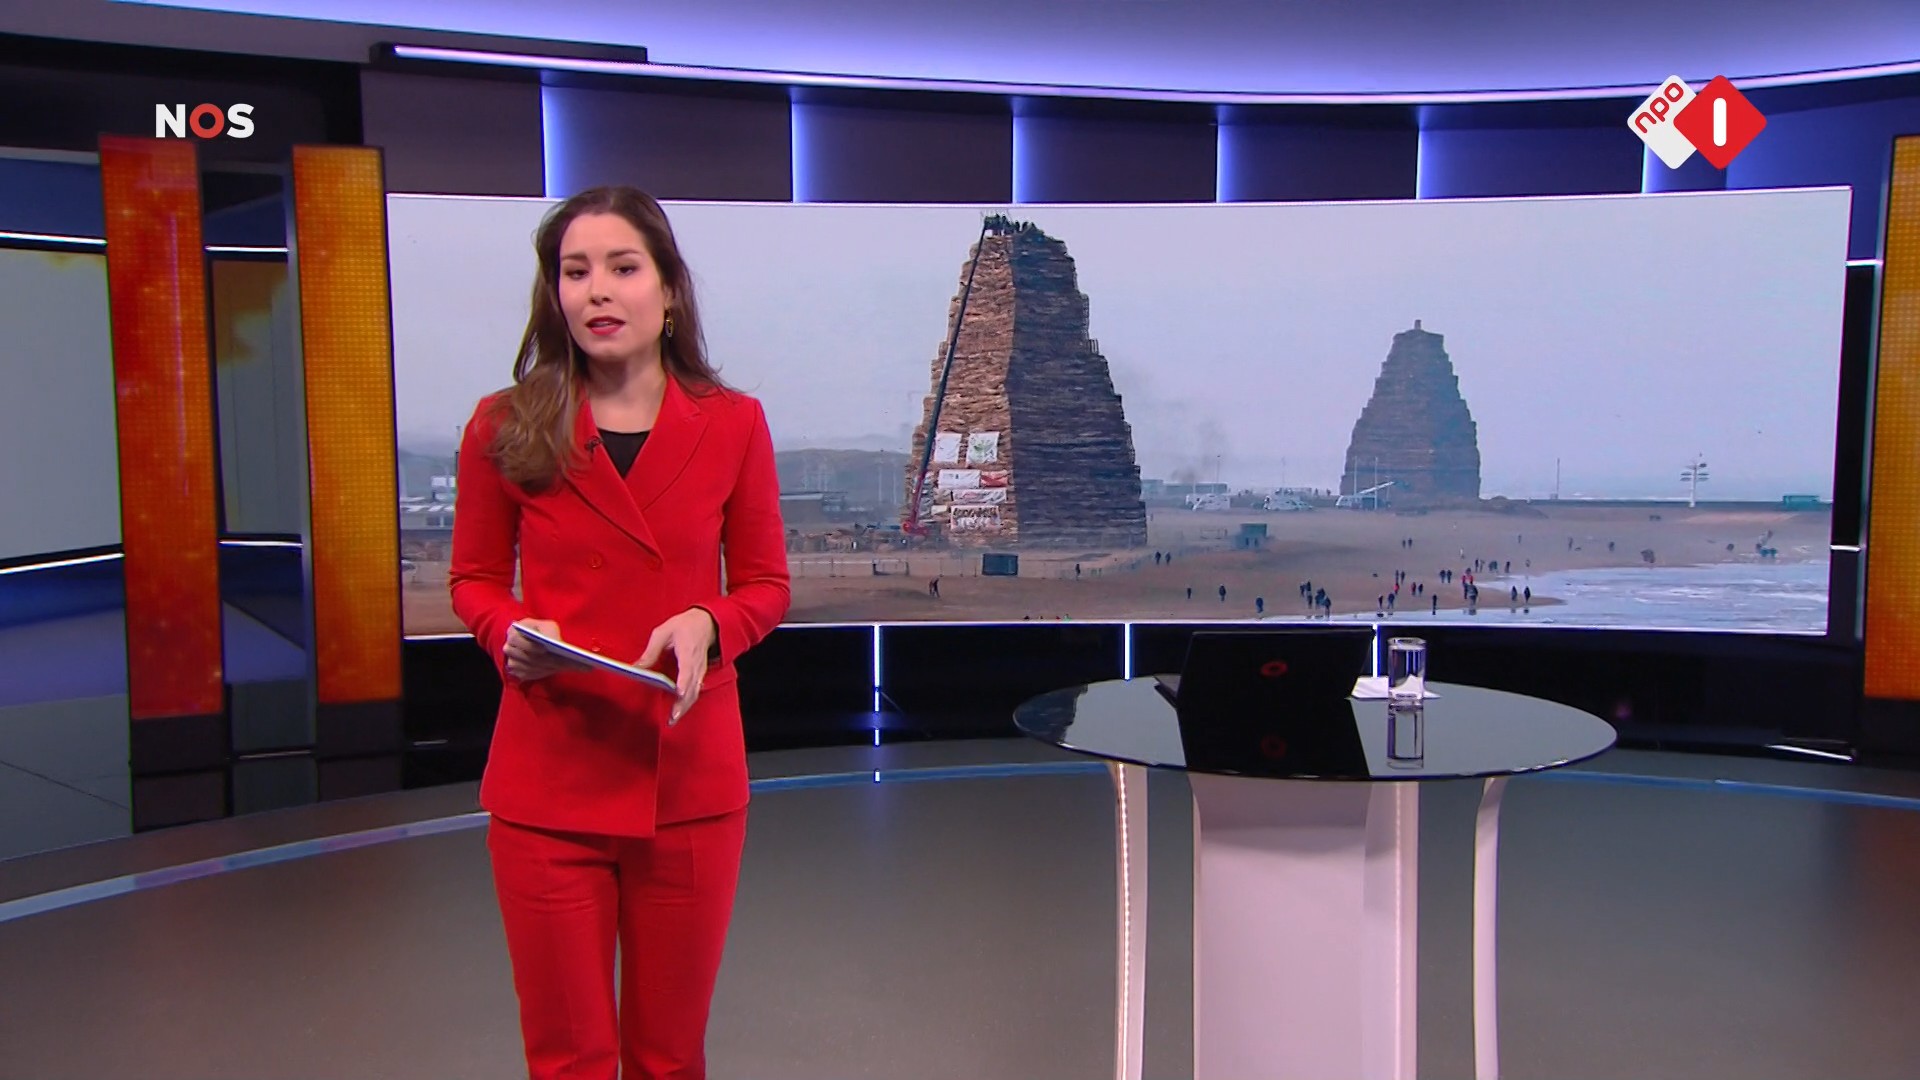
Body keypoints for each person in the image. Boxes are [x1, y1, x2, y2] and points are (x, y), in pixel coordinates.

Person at [449, 185, 791, 1080]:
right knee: (569, 1059)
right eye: (575, 272)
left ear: (668, 289)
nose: (597, 289)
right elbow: (473, 579)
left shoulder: (734, 423)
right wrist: (507, 629)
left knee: (668, 1058)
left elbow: (765, 586)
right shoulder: (503, 424)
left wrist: (709, 622)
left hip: (689, 781)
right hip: (549, 783)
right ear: (555, 294)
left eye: (622, 267)